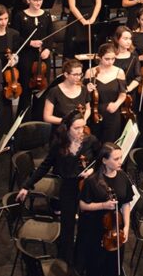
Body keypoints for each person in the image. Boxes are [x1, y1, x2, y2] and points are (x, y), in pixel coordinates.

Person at [16, 111, 100, 264]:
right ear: (67, 128)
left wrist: (92, 170)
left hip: (86, 187)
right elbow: (45, 166)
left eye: (83, 127)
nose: (81, 132)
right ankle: (66, 262)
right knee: (67, 227)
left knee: (85, 226)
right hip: (68, 187)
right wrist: (27, 186)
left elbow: (99, 160)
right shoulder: (59, 144)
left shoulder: (91, 141)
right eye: (76, 128)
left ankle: (82, 260)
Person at [78, 142, 133, 276]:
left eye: (120, 157)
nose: (120, 161)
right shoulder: (93, 181)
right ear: (104, 161)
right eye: (116, 158)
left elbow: (126, 203)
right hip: (95, 232)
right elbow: (83, 205)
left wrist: (126, 227)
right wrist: (103, 205)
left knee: (112, 270)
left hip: (116, 233)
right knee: (94, 269)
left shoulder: (123, 177)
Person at [12, 0, 52, 112]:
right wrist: (29, 43)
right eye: (35, 0)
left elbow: (50, 35)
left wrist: (48, 49)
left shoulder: (46, 15)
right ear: (28, 0)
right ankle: (23, 121)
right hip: (26, 56)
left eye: (40, 0)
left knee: (42, 91)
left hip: (43, 56)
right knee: (26, 90)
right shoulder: (19, 16)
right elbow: (15, 38)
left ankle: (39, 119)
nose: (38, 3)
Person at [85, 42, 128, 143]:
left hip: (112, 111)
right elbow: (82, 95)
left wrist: (116, 104)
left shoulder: (119, 72)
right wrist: (86, 89)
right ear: (100, 57)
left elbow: (123, 94)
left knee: (111, 143)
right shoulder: (90, 72)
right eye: (107, 59)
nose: (110, 62)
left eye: (113, 59)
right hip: (95, 112)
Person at [43, 59, 91, 126]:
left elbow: (88, 109)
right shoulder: (54, 91)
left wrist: (84, 120)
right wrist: (68, 121)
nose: (79, 77)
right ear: (66, 74)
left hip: (80, 127)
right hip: (62, 129)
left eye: (80, 74)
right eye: (75, 75)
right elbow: (47, 117)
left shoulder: (83, 89)